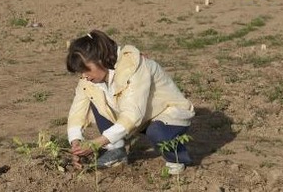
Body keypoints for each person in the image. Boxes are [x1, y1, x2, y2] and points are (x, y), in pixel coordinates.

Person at [66, 30, 194, 173]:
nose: (85, 76)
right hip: (139, 116)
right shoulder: (89, 80)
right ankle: (116, 151)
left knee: (157, 132)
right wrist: (75, 142)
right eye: (80, 72)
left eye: (86, 70)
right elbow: (77, 111)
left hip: (166, 112)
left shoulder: (133, 67)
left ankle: (176, 159)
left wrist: (97, 143)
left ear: (100, 60)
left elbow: (133, 115)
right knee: (93, 96)